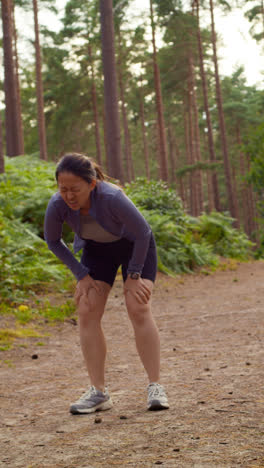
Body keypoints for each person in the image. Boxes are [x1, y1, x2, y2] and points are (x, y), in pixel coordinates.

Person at [44, 152, 169, 414]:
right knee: (88, 308)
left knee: (138, 306)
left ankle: (155, 386)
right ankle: (98, 392)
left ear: (91, 184)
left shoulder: (113, 197)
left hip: (135, 247)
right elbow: (53, 241)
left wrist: (133, 275)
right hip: (98, 250)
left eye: (74, 189)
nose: (68, 195)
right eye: (62, 189)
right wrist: (81, 275)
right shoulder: (57, 205)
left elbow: (143, 232)